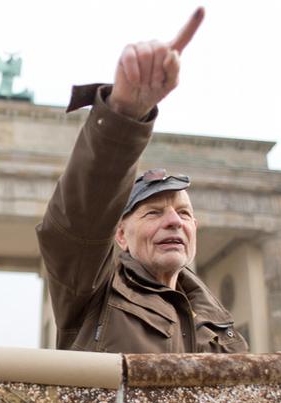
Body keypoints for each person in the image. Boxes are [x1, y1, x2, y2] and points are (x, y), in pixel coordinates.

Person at [36, 7, 248, 354]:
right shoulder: (93, 293)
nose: (174, 222)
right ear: (121, 235)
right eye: (153, 213)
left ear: (195, 228)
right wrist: (124, 116)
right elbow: (81, 219)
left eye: (183, 213)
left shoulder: (223, 332)